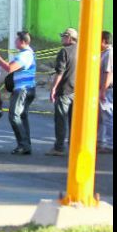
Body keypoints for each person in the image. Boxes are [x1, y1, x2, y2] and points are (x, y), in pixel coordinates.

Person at [0, 31, 37, 155]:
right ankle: (26, 144)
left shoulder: (24, 55)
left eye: (17, 40)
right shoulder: (27, 54)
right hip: (27, 88)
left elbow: (10, 68)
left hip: (23, 89)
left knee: (14, 116)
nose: (15, 42)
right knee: (22, 116)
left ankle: (23, 145)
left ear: (22, 42)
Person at [46, 27, 78, 156]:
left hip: (64, 90)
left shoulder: (64, 51)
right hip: (77, 91)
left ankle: (59, 147)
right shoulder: (82, 50)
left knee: (60, 120)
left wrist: (53, 88)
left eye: (63, 36)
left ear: (69, 38)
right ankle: (73, 146)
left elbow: (60, 72)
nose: (62, 39)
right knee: (74, 121)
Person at [98, 31, 113, 154]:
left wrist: (103, 90)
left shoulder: (109, 54)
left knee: (108, 117)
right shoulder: (105, 53)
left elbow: (108, 73)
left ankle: (110, 144)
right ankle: (100, 141)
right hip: (104, 89)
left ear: (104, 41)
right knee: (102, 117)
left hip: (107, 90)